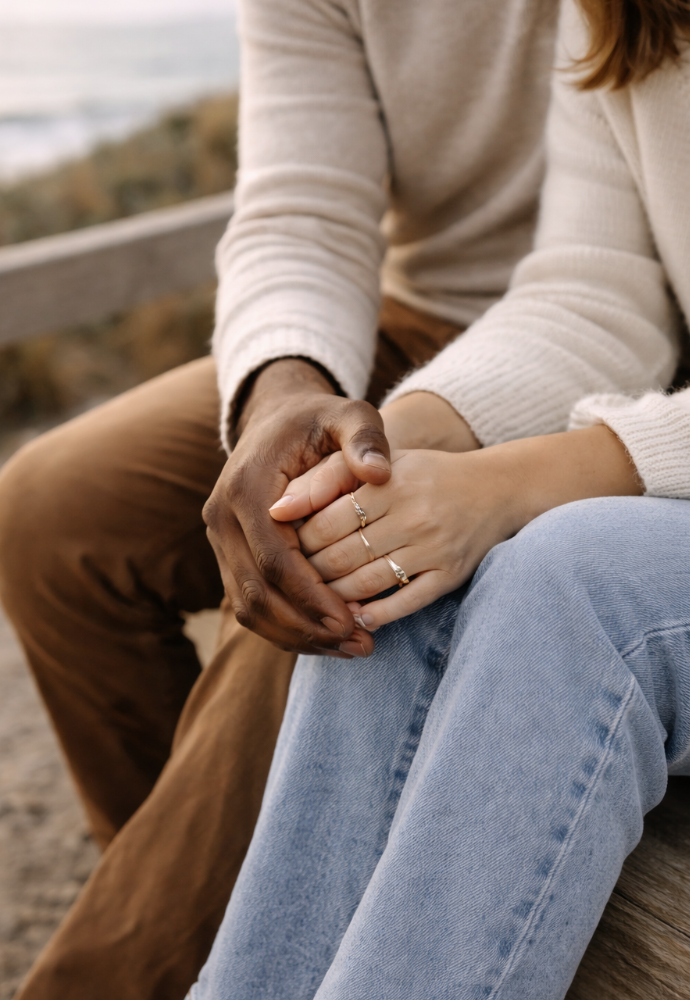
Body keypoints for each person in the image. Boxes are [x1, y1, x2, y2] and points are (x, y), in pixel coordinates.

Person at [186, 0, 690, 996]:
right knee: (389, 561)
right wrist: (383, 455)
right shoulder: (626, 14)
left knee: (578, 578)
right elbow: (594, 292)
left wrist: (508, 484)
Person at [0, 2, 563, 998]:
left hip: (617, 341)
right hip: (419, 311)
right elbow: (301, 208)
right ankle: (194, 924)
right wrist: (286, 392)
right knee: (51, 512)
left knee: (321, 549)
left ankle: (142, 963)